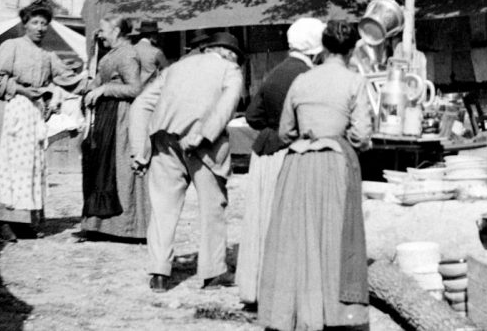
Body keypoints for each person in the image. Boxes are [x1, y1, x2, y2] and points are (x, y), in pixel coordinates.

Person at [258, 20, 372, 331]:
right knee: (335, 235)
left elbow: (285, 131)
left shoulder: (302, 81)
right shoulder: (354, 81)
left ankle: (295, 311)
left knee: (297, 237)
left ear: (323, 46)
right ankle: (333, 312)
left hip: (298, 164)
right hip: (333, 163)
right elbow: (362, 135)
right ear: (351, 50)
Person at [129, 31, 244, 292]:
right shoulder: (230, 70)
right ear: (229, 53)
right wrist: (203, 135)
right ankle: (213, 272)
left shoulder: (176, 68)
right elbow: (227, 104)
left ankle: (159, 272)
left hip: (164, 141)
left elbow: (141, 104)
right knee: (212, 206)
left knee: (163, 207)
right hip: (203, 144)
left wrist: (140, 149)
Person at [237, 17, 326, 305]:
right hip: (291, 153)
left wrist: (271, 128)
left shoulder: (275, 73)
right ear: (316, 49)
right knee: (290, 221)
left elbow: (252, 116)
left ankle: (261, 285)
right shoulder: (308, 77)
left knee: (264, 220)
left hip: (266, 153)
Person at [0, 2, 75, 241]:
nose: (40, 28)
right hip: (9, 109)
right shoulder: (12, 46)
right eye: (35, 23)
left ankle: (23, 220)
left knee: (30, 166)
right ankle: (3, 220)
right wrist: (23, 90)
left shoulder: (47, 55)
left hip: (32, 113)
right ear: (25, 24)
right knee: (8, 166)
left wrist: (92, 81)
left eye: (44, 23)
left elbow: (68, 78)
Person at [81, 16, 147, 240]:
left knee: (119, 167)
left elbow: (135, 89)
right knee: (102, 167)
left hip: (121, 118)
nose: (100, 34)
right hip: (106, 115)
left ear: (117, 31)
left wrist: (105, 89)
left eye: (103, 30)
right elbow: (95, 83)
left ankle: (127, 228)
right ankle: (101, 225)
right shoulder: (110, 54)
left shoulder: (127, 54)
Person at [131, 21, 169, 87]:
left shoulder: (130, 50)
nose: (158, 36)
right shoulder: (156, 52)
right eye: (156, 33)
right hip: (150, 90)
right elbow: (168, 71)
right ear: (152, 35)